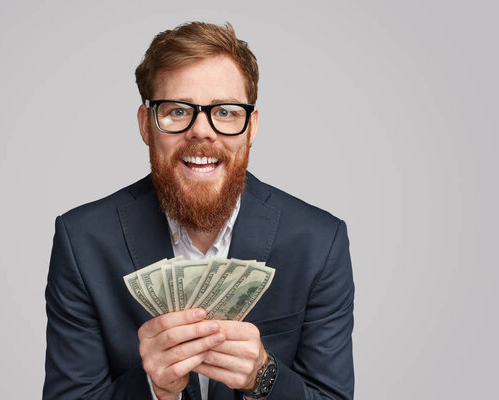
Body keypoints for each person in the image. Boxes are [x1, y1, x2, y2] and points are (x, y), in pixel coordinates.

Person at [43, 22, 354, 400]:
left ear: (251, 127)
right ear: (146, 125)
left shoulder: (319, 243)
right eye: (177, 111)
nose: (202, 131)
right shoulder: (83, 243)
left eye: (224, 111)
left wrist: (263, 376)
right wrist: (153, 389)